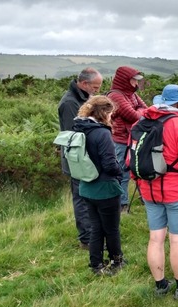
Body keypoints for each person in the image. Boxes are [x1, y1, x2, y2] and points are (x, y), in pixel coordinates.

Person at [135, 85, 178, 300]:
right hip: (177, 192)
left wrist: (141, 184)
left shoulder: (141, 123)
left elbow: (132, 159)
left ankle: (160, 285)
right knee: (177, 240)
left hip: (149, 190)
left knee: (155, 238)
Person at [73, 96, 125, 275]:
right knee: (111, 228)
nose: (111, 117)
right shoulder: (102, 133)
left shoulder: (80, 129)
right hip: (105, 189)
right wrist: (120, 173)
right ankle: (116, 261)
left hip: (86, 187)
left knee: (96, 227)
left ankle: (96, 264)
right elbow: (110, 164)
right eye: (110, 113)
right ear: (104, 112)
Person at [58, 67, 103, 250]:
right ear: (84, 83)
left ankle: (94, 235)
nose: (97, 90)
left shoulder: (84, 98)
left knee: (90, 198)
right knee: (82, 198)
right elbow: (75, 134)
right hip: (77, 160)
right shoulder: (69, 103)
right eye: (95, 86)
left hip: (86, 158)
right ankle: (87, 239)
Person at [108, 66, 147, 213]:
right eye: (133, 80)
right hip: (121, 140)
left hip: (132, 138)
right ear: (126, 79)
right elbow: (135, 116)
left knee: (139, 170)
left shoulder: (131, 94)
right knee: (122, 173)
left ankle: (144, 198)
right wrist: (139, 111)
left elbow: (147, 111)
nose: (136, 84)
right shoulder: (115, 96)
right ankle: (122, 204)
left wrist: (139, 111)